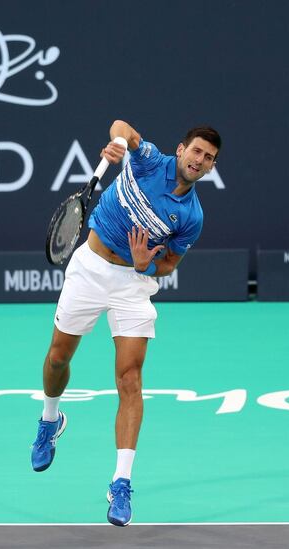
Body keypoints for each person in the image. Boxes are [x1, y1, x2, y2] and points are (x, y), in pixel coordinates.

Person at [30, 119, 221, 526]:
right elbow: (123, 127)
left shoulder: (192, 216)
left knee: (130, 378)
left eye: (208, 158)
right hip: (90, 267)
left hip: (133, 284)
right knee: (58, 358)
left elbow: (168, 264)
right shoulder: (151, 161)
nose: (200, 160)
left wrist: (144, 264)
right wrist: (118, 143)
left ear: (210, 167)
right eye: (196, 151)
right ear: (182, 149)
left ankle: (121, 483)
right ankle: (50, 418)